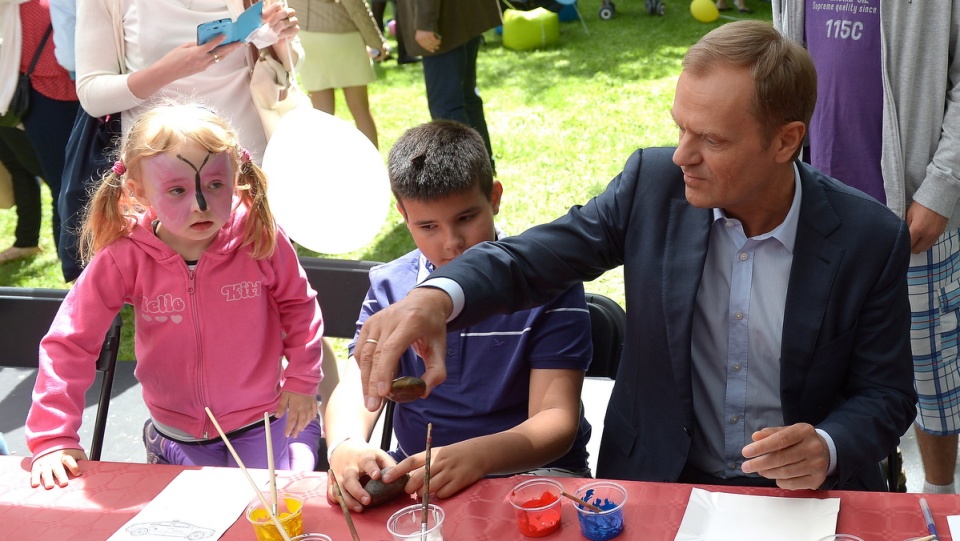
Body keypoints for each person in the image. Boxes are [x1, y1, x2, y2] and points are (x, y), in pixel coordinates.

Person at [354, 20, 918, 492]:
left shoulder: (869, 239)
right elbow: (532, 259)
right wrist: (437, 296)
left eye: (712, 140)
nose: (681, 156)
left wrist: (826, 444)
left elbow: (887, 395)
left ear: (785, 141)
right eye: (680, 128)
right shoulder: (652, 186)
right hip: (660, 480)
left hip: (805, 499)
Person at [26, 103, 324, 489]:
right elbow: (71, 342)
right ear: (138, 191)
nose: (200, 204)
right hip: (178, 434)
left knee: (272, 510)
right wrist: (53, 437)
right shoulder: (124, 256)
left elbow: (299, 305)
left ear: (235, 176)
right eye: (177, 190)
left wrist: (302, 380)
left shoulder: (258, 237)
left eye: (215, 185)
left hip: (263, 422)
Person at [325, 119, 593, 510]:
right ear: (403, 215)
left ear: (495, 197)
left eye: (466, 218)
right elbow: (356, 389)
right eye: (428, 226)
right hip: (421, 479)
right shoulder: (390, 287)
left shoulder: (548, 284)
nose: (451, 243)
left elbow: (556, 420)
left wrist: (478, 457)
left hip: (539, 476)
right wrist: (345, 445)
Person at [772, 0, 960, 494]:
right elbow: (781, 66)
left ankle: (939, 497)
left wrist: (942, 187)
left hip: (914, 213)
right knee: (818, 363)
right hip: (814, 211)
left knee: (930, 371)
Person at [58, 0, 300, 284]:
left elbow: (289, 62)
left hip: (247, 169)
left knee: (264, 290)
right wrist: (168, 70)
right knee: (175, 301)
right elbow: (92, 94)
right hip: (166, 178)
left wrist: (280, 38)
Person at [0, 0, 80, 263]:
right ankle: (74, 268)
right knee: (63, 185)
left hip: (89, 92)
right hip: (42, 97)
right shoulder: (16, 4)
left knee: (92, 183)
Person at [395, 0, 500, 172]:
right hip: (459, 15)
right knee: (465, 99)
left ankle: (468, 176)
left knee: (446, 107)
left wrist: (425, 22)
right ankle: (481, 171)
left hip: (444, 21)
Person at [288, 0, 389, 147]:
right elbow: (355, 6)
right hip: (343, 36)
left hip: (308, 37)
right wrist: (376, 42)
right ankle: (375, 164)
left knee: (322, 114)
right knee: (360, 109)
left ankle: (327, 164)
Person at [0, 126, 44, 263]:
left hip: (11, 109)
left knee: (31, 166)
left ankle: (70, 255)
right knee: (19, 167)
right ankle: (26, 241)